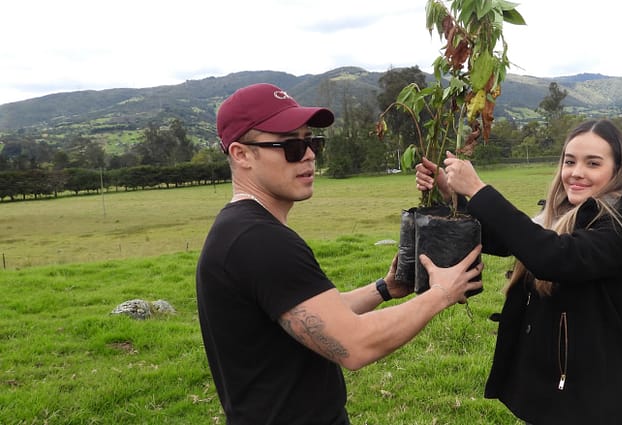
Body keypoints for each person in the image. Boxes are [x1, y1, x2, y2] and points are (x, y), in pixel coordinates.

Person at [196, 83, 483, 425]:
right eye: (290, 145)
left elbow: (311, 317)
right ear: (241, 154)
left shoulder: (241, 229)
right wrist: (441, 294)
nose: (308, 155)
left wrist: (384, 289)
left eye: (311, 141)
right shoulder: (260, 240)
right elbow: (354, 344)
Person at [415, 119, 622, 424]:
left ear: (618, 169)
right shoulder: (564, 216)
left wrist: (480, 191)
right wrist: (450, 195)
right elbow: (512, 239)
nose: (576, 172)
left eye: (593, 163)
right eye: (570, 161)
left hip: (597, 403)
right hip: (560, 393)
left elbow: (553, 257)